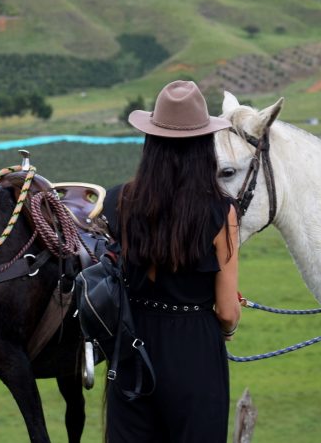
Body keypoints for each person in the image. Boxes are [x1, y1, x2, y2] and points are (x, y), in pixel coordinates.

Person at [103, 80, 241, 442]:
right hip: (194, 345)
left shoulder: (120, 200)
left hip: (132, 341)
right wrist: (226, 331)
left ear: (151, 143)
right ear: (203, 146)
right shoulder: (221, 211)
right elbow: (227, 310)